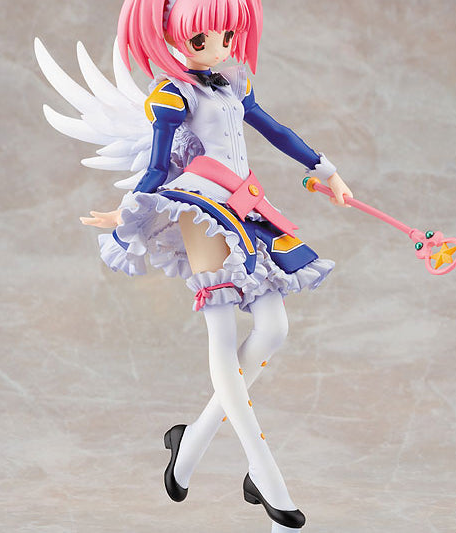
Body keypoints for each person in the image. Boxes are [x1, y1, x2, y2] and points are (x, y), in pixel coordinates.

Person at [37, 0, 353, 530]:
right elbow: (158, 165)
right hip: (199, 207)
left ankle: (188, 446)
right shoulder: (172, 93)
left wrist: (327, 170)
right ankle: (266, 475)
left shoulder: (233, 86)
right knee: (223, 334)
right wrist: (129, 210)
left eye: (227, 35)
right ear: (172, 37)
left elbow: (275, 130)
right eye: (202, 39)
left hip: (247, 206)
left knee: (274, 328)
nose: (220, 46)